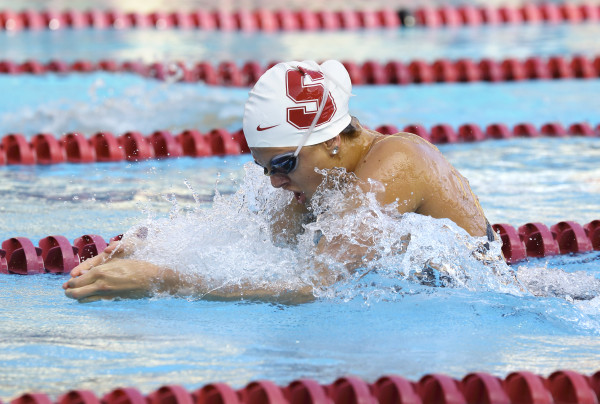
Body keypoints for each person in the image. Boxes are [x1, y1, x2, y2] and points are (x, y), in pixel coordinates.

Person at [63, 60, 497, 303]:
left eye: (284, 163)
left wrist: (164, 278)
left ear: (329, 140)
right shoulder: (321, 182)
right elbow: (250, 250)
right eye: (265, 168)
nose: (274, 183)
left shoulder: (399, 161)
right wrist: (147, 245)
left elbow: (313, 285)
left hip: (487, 305)